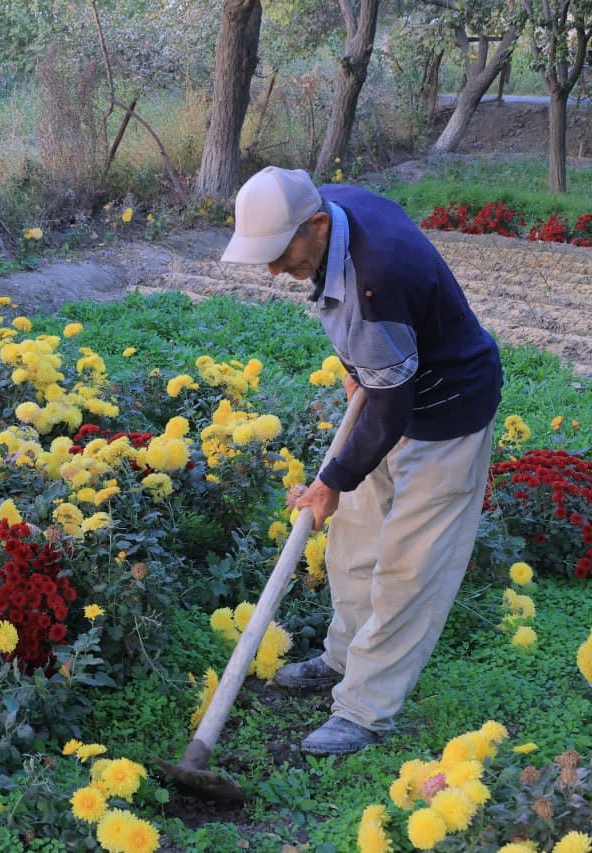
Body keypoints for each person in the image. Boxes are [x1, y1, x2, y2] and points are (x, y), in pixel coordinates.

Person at [220, 166, 503, 755]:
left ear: (317, 225)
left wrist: (332, 479)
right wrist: (359, 374)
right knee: (352, 547)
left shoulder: (378, 278)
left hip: (445, 413)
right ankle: (341, 659)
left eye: (280, 255)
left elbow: (393, 407)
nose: (274, 271)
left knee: (408, 568)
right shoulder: (335, 207)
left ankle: (364, 711)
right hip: (390, 396)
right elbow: (376, 378)